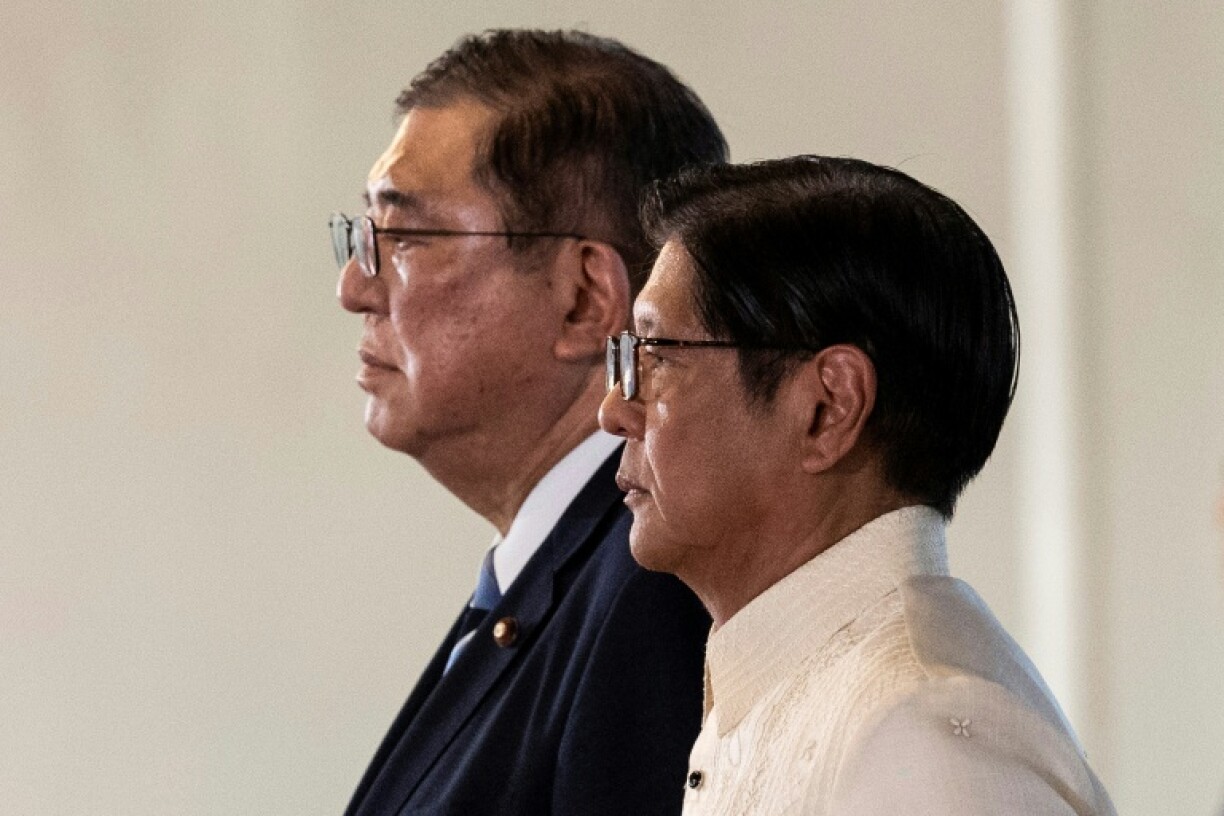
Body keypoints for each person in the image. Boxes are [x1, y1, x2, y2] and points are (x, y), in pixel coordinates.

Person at [599, 156, 1117, 814]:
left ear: (828, 407)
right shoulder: (806, 692)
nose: (614, 410)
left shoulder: (926, 740)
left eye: (658, 355)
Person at [331, 29, 727, 816]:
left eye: (405, 236)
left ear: (583, 299)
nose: (354, 286)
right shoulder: (561, 576)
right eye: (363, 235)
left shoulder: (648, 598)